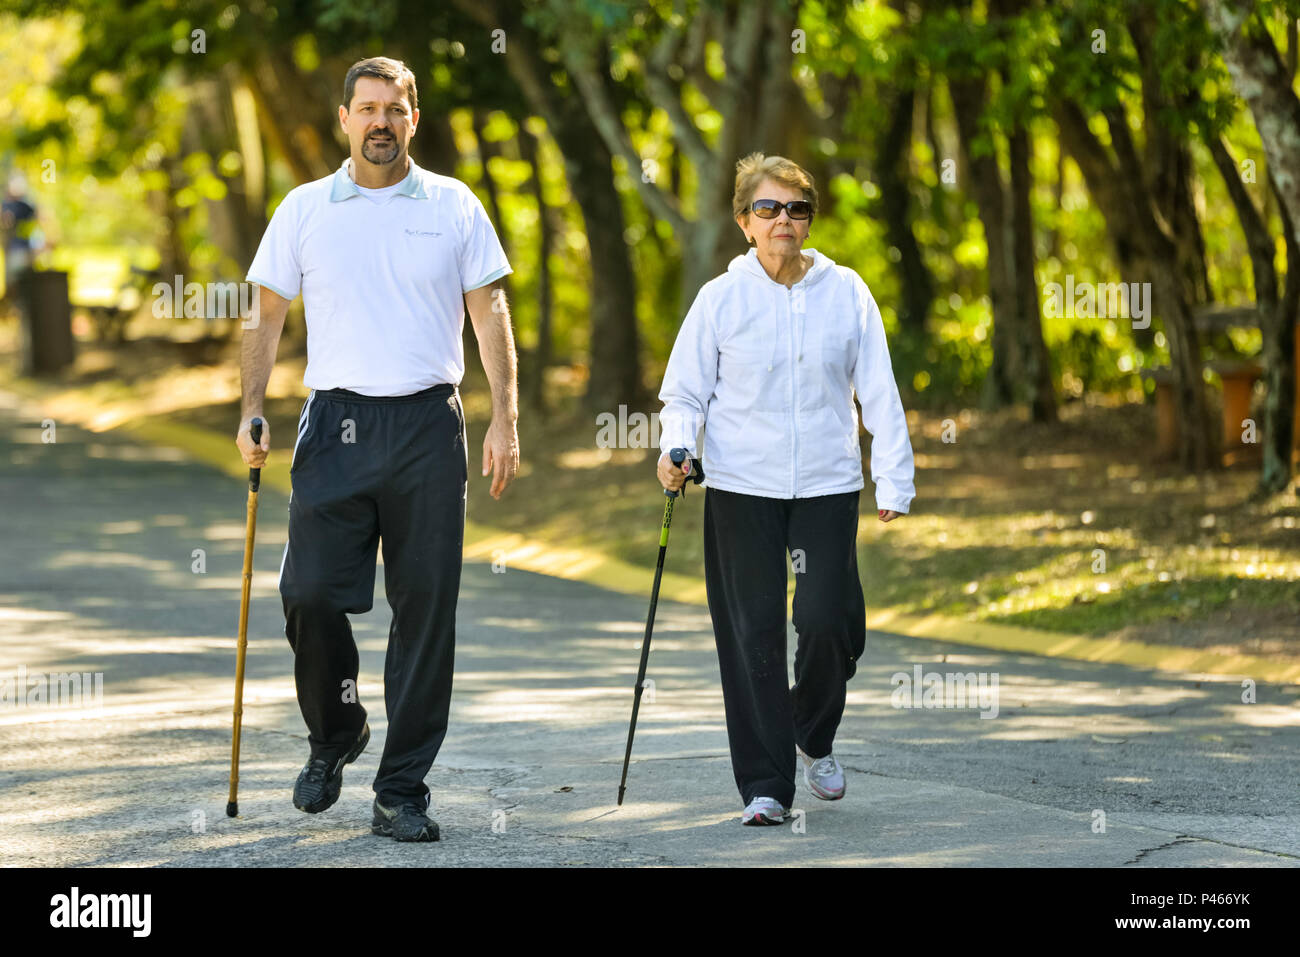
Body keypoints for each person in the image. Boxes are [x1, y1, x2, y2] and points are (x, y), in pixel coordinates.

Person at [236, 56, 519, 843]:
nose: (381, 122)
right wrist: (253, 408)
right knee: (310, 594)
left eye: (395, 109)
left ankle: (402, 789)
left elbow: (489, 311)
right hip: (335, 425)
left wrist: (506, 418)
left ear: (414, 120)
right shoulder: (304, 208)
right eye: (367, 109)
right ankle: (337, 729)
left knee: (426, 610)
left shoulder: (456, 206)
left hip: (430, 425)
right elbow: (264, 316)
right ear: (345, 119)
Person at [656, 152, 915, 826]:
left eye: (797, 209)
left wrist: (894, 475)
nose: (783, 221)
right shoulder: (720, 298)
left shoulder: (847, 291)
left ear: (809, 221)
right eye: (768, 208)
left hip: (827, 485)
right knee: (755, 635)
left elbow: (879, 391)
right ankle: (767, 784)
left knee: (830, 621)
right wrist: (676, 447)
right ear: (745, 221)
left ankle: (813, 733)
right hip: (743, 489)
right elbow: (684, 392)